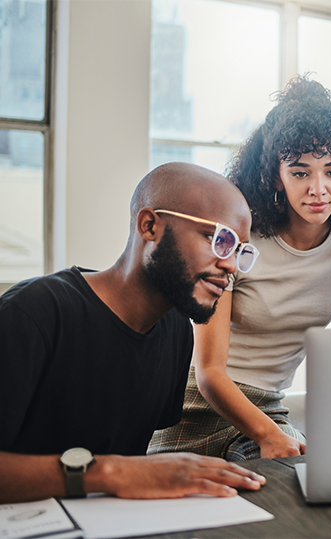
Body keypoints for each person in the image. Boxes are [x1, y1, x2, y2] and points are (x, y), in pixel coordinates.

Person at [148, 76, 331, 460]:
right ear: (275, 174)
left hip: (269, 407)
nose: (319, 189)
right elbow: (209, 372)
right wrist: (270, 436)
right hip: (196, 405)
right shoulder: (239, 240)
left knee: (303, 486)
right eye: (300, 171)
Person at [0, 162, 267, 503]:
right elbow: (123, 471)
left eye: (239, 250)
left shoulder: (176, 332)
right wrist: (108, 473)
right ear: (149, 225)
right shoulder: (34, 312)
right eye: (218, 239)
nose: (230, 265)